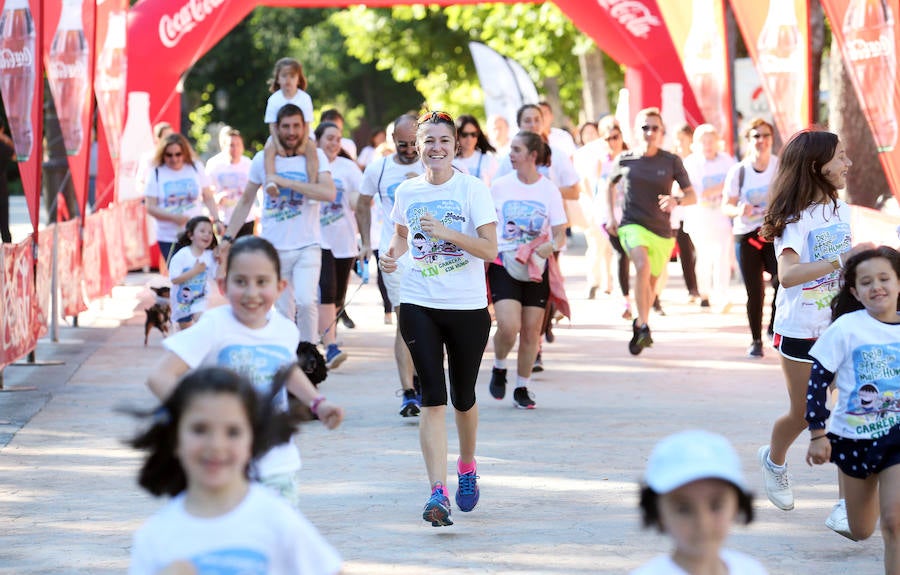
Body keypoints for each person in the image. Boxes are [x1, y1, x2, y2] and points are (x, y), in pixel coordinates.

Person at [147, 235, 344, 508]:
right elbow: (160, 376)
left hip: (277, 465)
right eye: (240, 282)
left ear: (280, 287)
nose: (252, 292)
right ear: (223, 286)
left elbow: (285, 369)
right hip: (221, 468)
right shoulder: (214, 325)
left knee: (273, 545)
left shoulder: (284, 329)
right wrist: (198, 414)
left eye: (262, 282)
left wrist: (317, 403)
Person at [379, 110, 498, 527]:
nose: (436, 148)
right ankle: (437, 492)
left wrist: (448, 234)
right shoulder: (407, 191)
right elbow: (399, 237)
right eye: (428, 141)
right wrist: (390, 258)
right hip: (418, 302)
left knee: (462, 397)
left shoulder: (473, 189)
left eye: (444, 141)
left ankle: (466, 467)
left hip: (466, 307)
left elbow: (489, 250)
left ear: (456, 146)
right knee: (433, 395)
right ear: (417, 146)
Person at [757, 129, 873, 533]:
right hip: (801, 331)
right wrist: (839, 261)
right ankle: (773, 460)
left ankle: (844, 505)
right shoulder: (794, 217)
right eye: (840, 157)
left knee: (848, 411)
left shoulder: (841, 210)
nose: (848, 164)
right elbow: (788, 275)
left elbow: (845, 272)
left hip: (841, 328)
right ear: (816, 166)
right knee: (807, 414)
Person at [129, 366, 342, 575]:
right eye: (200, 429)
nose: (216, 445)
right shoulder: (156, 536)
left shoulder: (275, 519)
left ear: (253, 440)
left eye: (232, 432)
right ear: (175, 438)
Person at [806, 247, 900, 559]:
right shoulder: (846, 328)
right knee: (862, 530)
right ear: (855, 292)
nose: (877, 287)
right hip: (853, 438)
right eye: (866, 282)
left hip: (896, 437)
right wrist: (818, 434)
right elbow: (818, 380)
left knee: (894, 522)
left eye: (885, 278)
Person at [221, 104, 336, 346]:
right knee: (282, 310)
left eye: (296, 125)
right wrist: (227, 238)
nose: (291, 132)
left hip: (308, 244)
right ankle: (286, 358)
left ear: (304, 127)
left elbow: (328, 193)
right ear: (277, 128)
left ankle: (308, 357)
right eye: (286, 126)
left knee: (306, 301)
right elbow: (245, 201)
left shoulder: (316, 156)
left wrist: (285, 182)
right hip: (275, 247)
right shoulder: (263, 159)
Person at [607, 108, 696, 355]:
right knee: (642, 267)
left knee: (651, 284)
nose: (650, 132)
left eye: (654, 128)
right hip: (631, 225)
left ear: (662, 132)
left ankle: (639, 323)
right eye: (645, 127)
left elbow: (692, 195)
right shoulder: (624, 159)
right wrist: (611, 216)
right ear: (637, 131)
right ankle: (645, 324)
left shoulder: (671, 160)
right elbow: (609, 185)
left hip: (661, 231)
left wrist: (676, 199)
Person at [488, 131, 567, 409]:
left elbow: (561, 233)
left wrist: (551, 245)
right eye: (511, 149)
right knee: (509, 326)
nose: (511, 154)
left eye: (517, 150)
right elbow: (486, 225)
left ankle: (522, 387)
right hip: (505, 262)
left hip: (537, 266)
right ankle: (499, 366)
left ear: (533, 156)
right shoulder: (499, 187)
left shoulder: (549, 190)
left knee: (532, 331)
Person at [356, 113, 424, 417]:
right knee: (405, 320)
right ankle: (408, 391)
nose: (409, 149)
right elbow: (361, 203)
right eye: (402, 144)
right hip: (394, 254)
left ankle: (423, 377)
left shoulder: (431, 165)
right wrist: (365, 242)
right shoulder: (379, 168)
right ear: (391, 140)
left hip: (429, 256)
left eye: (413, 143)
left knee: (430, 324)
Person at [633, 429, 766, 575]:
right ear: (658, 512)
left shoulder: (751, 569)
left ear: (737, 506)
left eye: (716, 505)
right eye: (683, 509)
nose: (703, 523)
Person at [723, 119, 780, 358]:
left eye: (765, 135)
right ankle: (756, 340)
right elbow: (727, 206)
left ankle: (774, 327)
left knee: (782, 281)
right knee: (755, 292)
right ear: (749, 140)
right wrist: (740, 210)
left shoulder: (779, 166)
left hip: (773, 233)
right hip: (746, 235)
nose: (761, 140)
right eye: (756, 136)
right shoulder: (740, 170)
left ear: (772, 139)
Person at [316, 121, 362, 370]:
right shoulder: (310, 164)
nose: (334, 143)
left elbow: (361, 198)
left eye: (338, 139)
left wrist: (358, 202)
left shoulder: (348, 167)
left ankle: (325, 334)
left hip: (344, 240)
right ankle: (330, 345)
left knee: (337, 298)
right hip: (317, 239)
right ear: (318, 140)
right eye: (329, 138)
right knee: (326, 289)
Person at [144, 133, 221, 262]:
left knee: (199, 269)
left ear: (184, 153)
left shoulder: (195, 167)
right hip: (169, 235)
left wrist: (217, 220)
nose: (174, 159)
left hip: (195, 233)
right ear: (163, 155)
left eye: (178, 154)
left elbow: (207, 196)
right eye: (169, 155)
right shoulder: (156, 172)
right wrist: (173, 218)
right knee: (179, 272)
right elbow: (150, 207)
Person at [682, 124, 735, 311]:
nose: (708, 145)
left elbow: (734, 184)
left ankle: (722, 294)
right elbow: (696, 192)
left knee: (722, 255)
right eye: (704, 141)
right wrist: (719, 187)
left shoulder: (726, 160)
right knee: (704, 256)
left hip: (721, 214)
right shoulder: (691, 163)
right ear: (697, 143)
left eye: (711, 141)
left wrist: (719, 189)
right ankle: (704, 291)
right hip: (700, 216)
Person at [573, 116, 617, 300]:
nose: (590, 136)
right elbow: (581, 180)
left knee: (609, 246)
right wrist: (593, 201)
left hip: (609, 205)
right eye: (586, 133)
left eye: (593, 132)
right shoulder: (581, 154)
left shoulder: (607, 150)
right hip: (590, 204)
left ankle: (609, 282)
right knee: (595, 244)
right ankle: (594, 281)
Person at [263, 57, 319, 198]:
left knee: (312, 149)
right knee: (268, 148)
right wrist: (278, 145)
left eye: (292, 76)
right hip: (280, 136)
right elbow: (272, 125)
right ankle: (271, 180)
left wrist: (304, 144)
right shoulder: (274, 99)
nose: (288, 80)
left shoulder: (304, 98)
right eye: (284, 76)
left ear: (298, 79)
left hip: (302, 135)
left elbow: (306, 124)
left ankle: (312, 185)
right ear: (278, 79)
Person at [167, 216, 217, 329]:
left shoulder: (209, 256)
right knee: (185, 332)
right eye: (202, 231)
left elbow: (216, 275)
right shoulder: (182, 255)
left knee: (202, 325)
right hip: (181, 303)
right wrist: (195, 271)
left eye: (210, 232)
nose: (207, 235)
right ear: (190, 235)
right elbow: (174, 279)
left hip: (199, 300)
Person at [206, 126, 255, 238]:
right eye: (231, 145)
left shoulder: (249, 164)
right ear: (223, 146)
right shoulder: (214, 165)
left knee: (245, 254)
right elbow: (206, 192)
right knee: (226, 253)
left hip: (246, 218)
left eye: (238, 145)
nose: (235, 149)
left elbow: (260, 189)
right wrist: (217, 199)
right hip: (224, 219)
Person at [453, 115, 499, 186]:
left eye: (473, 134)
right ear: (457, 135)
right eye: (464, 134)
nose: (469, 138)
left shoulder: (489, 160)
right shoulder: (451, 163)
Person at [0, 124, 14, 243]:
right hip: (2, 192)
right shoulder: (4, 147)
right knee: (4, 228)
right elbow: (15, 155)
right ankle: (7, 259)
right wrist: (5, 138)